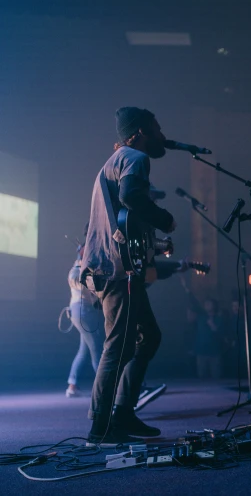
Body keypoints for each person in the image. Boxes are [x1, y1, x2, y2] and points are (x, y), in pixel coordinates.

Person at [80, 107, 176, 445]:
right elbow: (131, 197)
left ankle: (123, 413)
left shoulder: (116, 161)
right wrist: (166, 220)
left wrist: (154, 242)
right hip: (116, 272)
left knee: (147, 337)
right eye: (156, 128)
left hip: (116, 267)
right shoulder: (135, 157)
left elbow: (123, 218)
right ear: (137, 133)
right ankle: (100, 426)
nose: (162, 135)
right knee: (118, 348)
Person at [65, 243, 106, 398]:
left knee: (84, 350)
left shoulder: (81, 270)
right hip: (83, 312)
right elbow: (88, 286)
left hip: (82, 312)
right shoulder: (76, 272)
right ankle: (105, 390)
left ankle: (72, 385)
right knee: (98, 350)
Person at [194, 298, 224, 380]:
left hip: (214, 352)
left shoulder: (219, 318)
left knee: (216, 376)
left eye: (209, 303)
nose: (206, 305)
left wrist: (212, 325)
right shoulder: (201, 317)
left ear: (214, 306)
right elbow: (195, 303)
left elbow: (220, 333)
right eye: (205, 303)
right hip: (201, 351)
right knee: (202, 376)